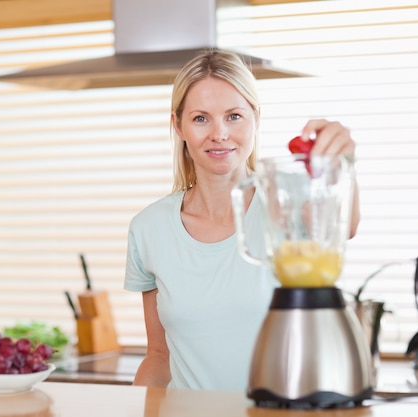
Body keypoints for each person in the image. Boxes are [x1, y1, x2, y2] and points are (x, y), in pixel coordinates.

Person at [123, 49, 361, 391]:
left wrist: (342, 161)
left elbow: (345, 225)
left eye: (234, 116)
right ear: (178, 126)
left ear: (256, 118)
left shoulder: (287, 204)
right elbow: (159, 357)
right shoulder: (148, 228)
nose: (219, 133)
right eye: (201, 118)